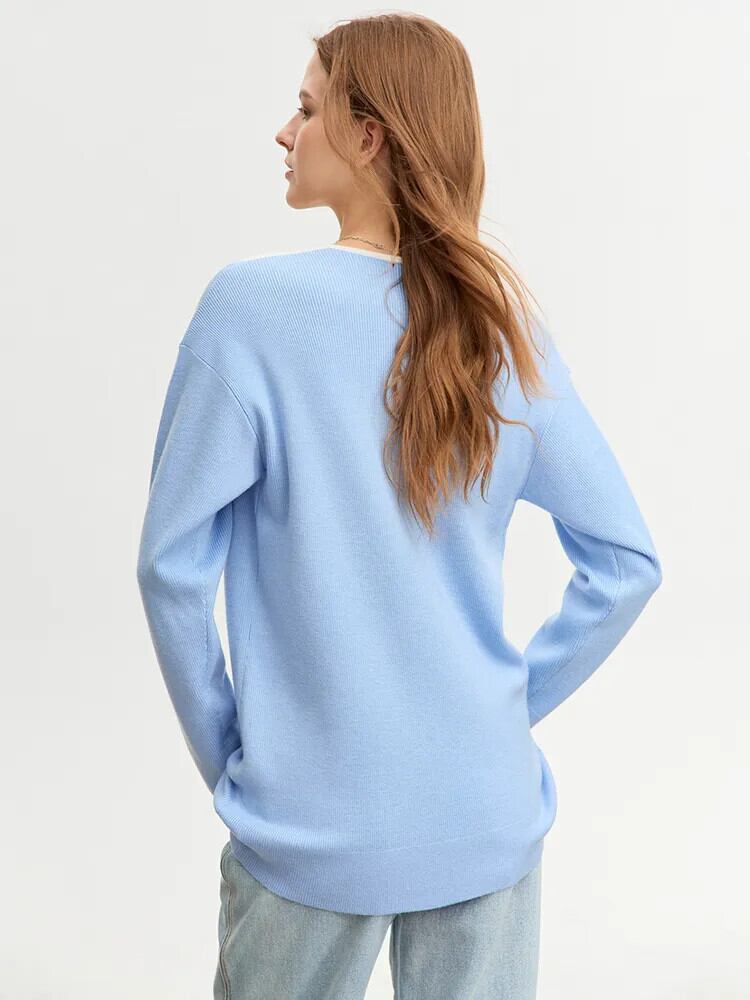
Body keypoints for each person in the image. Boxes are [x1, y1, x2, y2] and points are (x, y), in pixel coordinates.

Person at [136, 13, 662, 1000]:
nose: (285, 131)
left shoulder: (248, 312)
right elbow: (627, 562)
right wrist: (500, 710)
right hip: (485, 812)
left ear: (368, 135)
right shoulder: (501, 329)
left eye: (306, 109)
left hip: (308, 823)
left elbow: (170, 571)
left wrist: (240, 765)